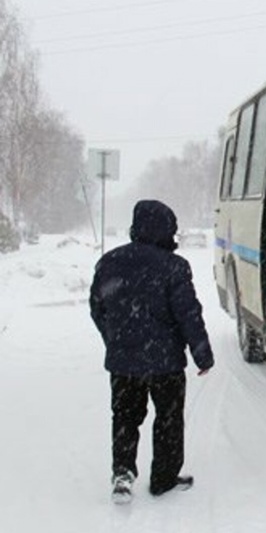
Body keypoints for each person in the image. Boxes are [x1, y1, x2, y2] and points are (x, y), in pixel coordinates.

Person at [90, 199, 214, 504]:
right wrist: (202, 354)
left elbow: (97, 307)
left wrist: (115, 339)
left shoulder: (109, 262)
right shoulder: (174, 266)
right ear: (165, 229)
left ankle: (122, 472)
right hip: (166, 364)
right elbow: (188, 314)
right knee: (168, 419)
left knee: (125, 417)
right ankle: (163, 478)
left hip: (123, 363)